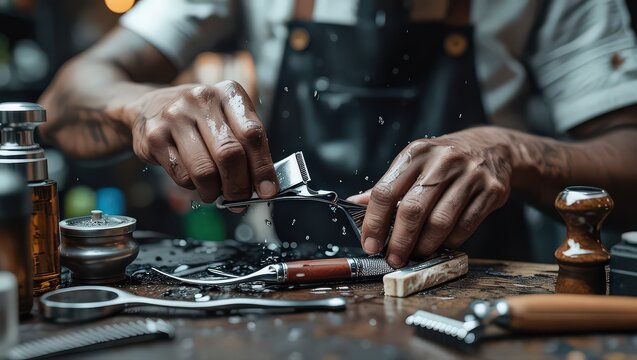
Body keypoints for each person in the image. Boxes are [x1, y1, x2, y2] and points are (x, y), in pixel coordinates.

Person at [38, 0, 637, 268]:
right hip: (291, 288)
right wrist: (138, 105)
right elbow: (65, 101)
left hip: (487, 287)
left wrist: (514, 152)